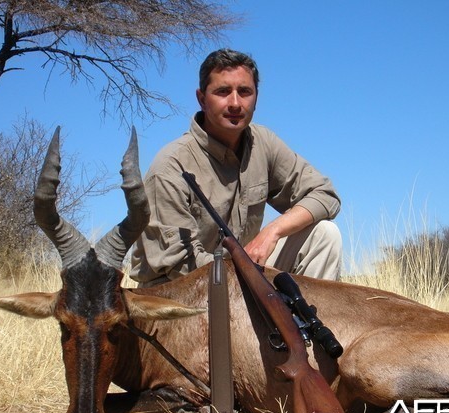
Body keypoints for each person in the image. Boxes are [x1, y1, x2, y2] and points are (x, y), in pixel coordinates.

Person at [131, 49, 342, 287]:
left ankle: (302, 324)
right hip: (184, 290)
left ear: (256, 97)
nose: (235, 103)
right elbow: (179, 265)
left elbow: (326, 195)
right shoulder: (170, 166)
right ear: (202, 99)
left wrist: (271, 232)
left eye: (244, 92)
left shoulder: (263, 142)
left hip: (245, 275)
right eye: (222, 92)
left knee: (325, 234)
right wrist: (255, 279)